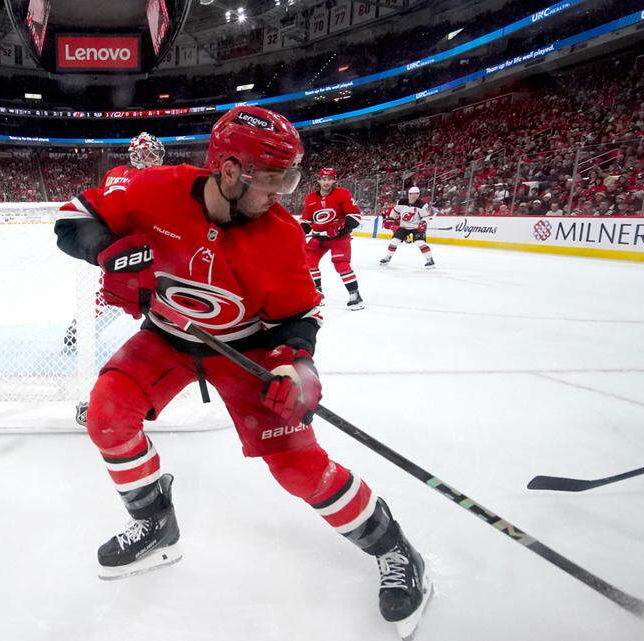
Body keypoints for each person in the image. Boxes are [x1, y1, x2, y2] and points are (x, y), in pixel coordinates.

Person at [53, 106, 431, 637]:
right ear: (229, 170)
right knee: (108, 415)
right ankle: (155, 525)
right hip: (166, 339)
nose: (284, 192)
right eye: (273, 178)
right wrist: (109, 253)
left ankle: (396, 550)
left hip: (247, 352)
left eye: (290, 178)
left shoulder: (279, 236)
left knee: (298, 469)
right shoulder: (156, 189)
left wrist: (297, 369)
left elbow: (299, 318)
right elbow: (71, 221)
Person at [64, 133, 166, 355]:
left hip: (115, 245)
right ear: (137, 155)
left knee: (112, 292)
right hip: (139, 247)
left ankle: (78, 331)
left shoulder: (114, 173)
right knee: (151, 293)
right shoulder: (148, 178)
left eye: (155, 153)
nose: (155, 158)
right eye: (149, 153)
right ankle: (80, 332)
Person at [300, 167, 364, 310]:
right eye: (323, 179)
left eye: (329, 179)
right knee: (309, 260)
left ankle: (355, 295)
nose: (326, 182)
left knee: (340, 263)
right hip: (319, 237)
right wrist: (299, 234)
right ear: (319, 180)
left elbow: (355, 216)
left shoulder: (342, 193)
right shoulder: (310, 198)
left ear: (334, 180)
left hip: (339, 237)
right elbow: (307, 222)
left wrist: (342, 230)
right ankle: (317, 293)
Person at [380, 186, 436, 268]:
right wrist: (391, 218)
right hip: (403, 227)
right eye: (411, 194)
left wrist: (423, 223)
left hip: (416, 228)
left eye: (416, 194)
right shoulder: (401, 202)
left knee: (420, 243)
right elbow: (395, 213)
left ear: (418, 195)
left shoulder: (422, 205)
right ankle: (388, 257)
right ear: (408, 194)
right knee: (394, 241)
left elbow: (426, 217)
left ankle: (430, 260)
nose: (413, 196)